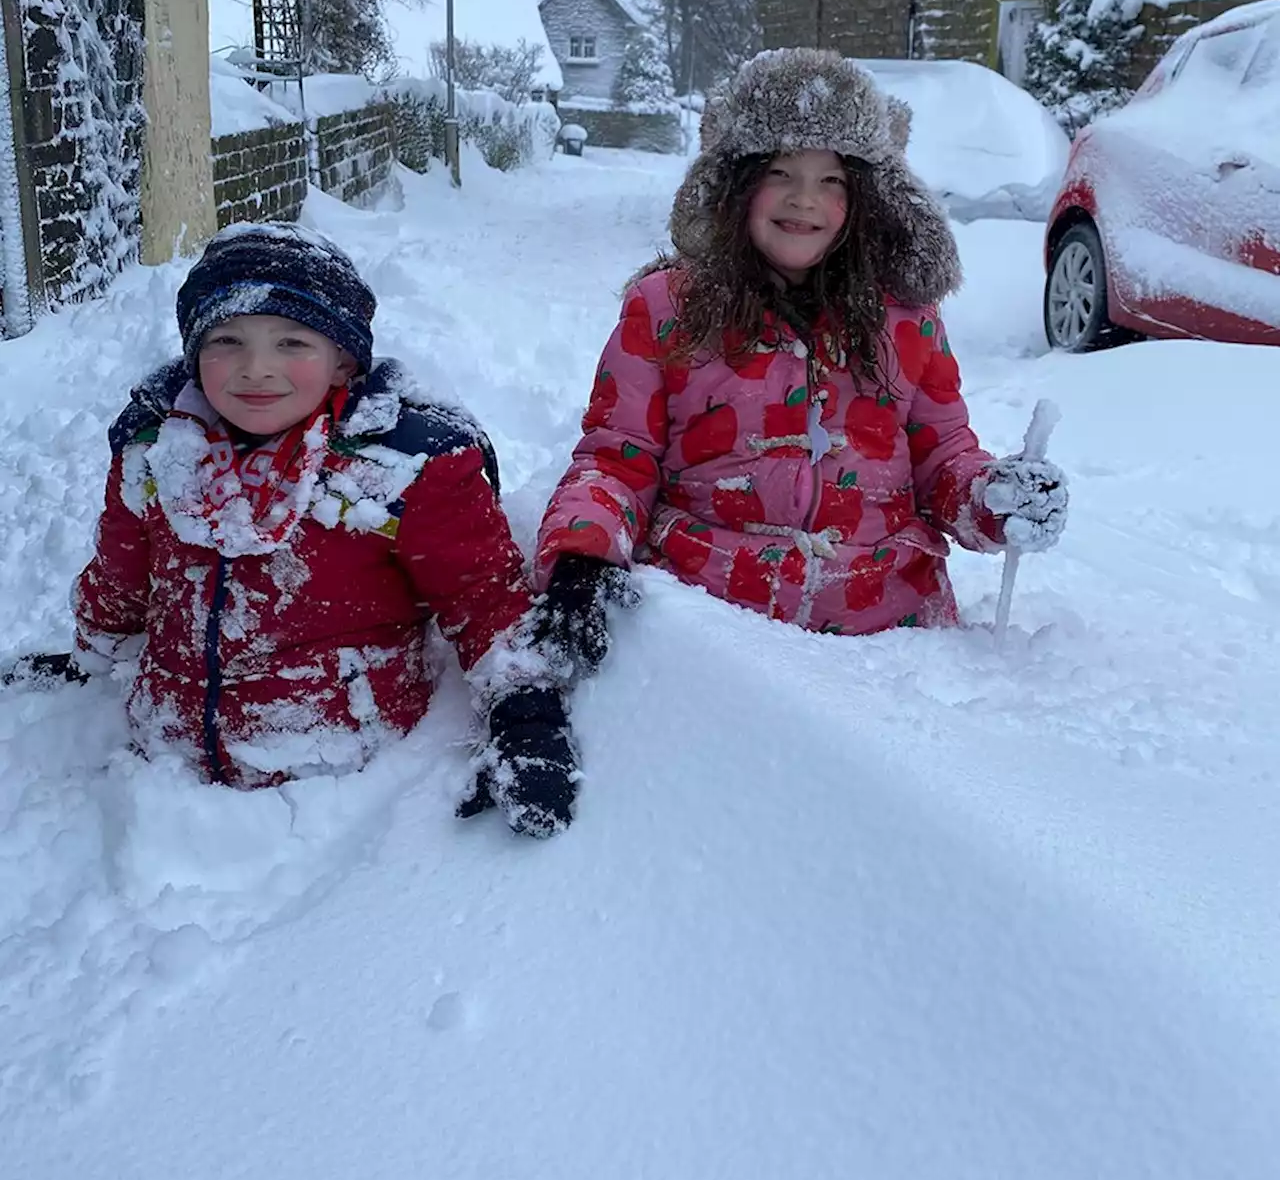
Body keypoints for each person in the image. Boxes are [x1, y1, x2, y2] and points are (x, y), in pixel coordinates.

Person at [530, 47, 1068, 674]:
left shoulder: (908, 320)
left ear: (865, 197)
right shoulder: (666, 309)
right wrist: (581, 555)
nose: (804, 200)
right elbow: (616, 459)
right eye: (781, 173)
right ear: (739, 182)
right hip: (713, 621)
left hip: (895, 638)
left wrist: (991, 498)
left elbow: (943, 457)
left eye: (831, 180)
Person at [70, 221, 575, 836]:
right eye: (226, 339)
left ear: (343, 361)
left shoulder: (403, 468)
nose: (256, 369)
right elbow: (122, 573)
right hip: (162, 777)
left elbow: (485, 600)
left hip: (337, 795)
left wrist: (525, 715)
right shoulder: (156, 451)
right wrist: (94, 652)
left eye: (291, 343)